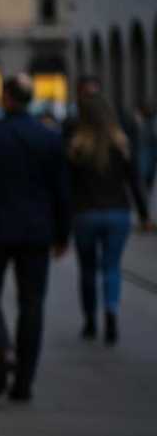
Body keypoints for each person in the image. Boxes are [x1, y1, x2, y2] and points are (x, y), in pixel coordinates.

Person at [0, 75, 71, 401]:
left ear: (5, 97)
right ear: (30, 99)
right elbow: (62, 192)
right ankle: (24, 383)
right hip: (37, 232)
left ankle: (2, 351)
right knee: (32, 303)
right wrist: (63, 235)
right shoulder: (49, 137)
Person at [66, 91, 153, 345]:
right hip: (117, 213)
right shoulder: (121, 145)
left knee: (88, 269)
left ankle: (90, 320)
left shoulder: (77, 147)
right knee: (112, 267)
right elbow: (134, 181)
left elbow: (67, 186)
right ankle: (111, 312)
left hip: (85, 214)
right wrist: (145, 214)